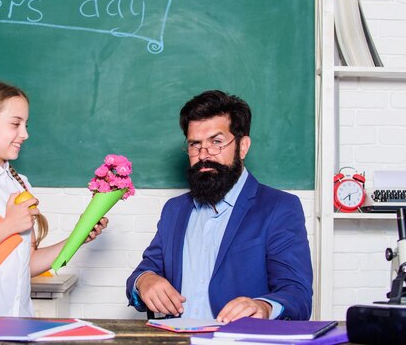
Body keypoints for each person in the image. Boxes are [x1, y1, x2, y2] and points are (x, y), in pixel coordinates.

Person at [126, 90, 312, 322]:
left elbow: (298, 294)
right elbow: (144, 271)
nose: (204, 155)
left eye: (216, 142)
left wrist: (263, 307)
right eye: (195, 145)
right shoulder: (175, 210)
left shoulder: (279, 207)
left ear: (242, 146)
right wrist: (144, 281)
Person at [0, 79, 108, 317]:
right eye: (15, 124)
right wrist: (9, 225)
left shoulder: (19, 183)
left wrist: (78, 238)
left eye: (25, 124)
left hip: (20, 319)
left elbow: (26, 265)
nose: (24, 134)